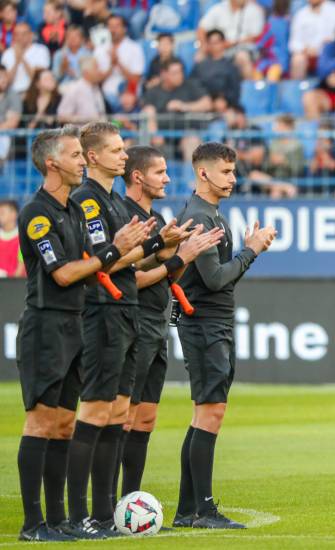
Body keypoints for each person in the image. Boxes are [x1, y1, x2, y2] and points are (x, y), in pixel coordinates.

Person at [15, 125, 148, 541]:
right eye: (75, 155)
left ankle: (61, 521)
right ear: (52, 163)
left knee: (63, 427)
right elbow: (65, 272)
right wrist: (113, 249)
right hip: (45, 326)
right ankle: (33, 524)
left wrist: (116, 254)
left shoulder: (71, 210)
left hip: (74, 325)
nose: (80, 162)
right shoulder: (37, 214)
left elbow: (90, 271)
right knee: (40, 424)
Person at [66, 122, 188, 536]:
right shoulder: (86, 201)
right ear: (93, 156)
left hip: (126, 313)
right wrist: (153, 251)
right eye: (116, 150)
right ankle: (79, 514)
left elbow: (129, 260)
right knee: (97, 412)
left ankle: (105, 514)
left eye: (123, 149)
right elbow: (105, 261)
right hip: (101, 310)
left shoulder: (113, 201)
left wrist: (160, 243)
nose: (123, 154)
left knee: (118, 413)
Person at [172, 142, 276, 528]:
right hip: (203, 324)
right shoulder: (201, 217)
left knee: (205, 413)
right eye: (227, 172)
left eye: (234, 171)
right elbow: (215, 279)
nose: (234, 178)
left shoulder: (209, 213)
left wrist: (248, 252)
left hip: (211, 323)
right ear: (204, 173)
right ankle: (203, 510)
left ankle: (187, 511)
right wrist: (251, 251)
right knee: (210, 411)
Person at [120, 145, 223, 496]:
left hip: (156, 321)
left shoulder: (161, 223)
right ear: (138, 177)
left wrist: (181, 259)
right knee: (121, 417)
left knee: (145, 419)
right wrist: (177, 258)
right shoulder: (125, 218)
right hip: (131, 322)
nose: (167, 178)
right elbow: (129, 279)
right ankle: (103, 508)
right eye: (160, 172)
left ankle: (129, 502)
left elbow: (166, 276)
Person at [94, 15, 145, 111]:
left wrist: (118, 63)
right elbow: (96, 79)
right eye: (110, 26)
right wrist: (111, 66)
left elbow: (136, 79)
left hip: (128, 93)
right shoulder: (99, 49)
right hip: (105, 95)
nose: (113, 30)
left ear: (124, 29)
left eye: (116, 26)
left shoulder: (134, 48)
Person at [289, 0, 335, 80]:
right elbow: (293, 43)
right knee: (297, 59)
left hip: (332, 54)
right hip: (310, 56)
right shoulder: (301, 15)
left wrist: (332, 43)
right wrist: (305, 49)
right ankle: (297, 90)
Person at [190, 30, 242, 109]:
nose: (214, 45)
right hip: (202, 105)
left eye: (217, 42)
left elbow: (235, 91)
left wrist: (224, 100)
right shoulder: (200, 66)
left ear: (223, 43)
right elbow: (193, 85)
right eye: (211, 42)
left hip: (225, 106)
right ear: (207, 44)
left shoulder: (231, 67)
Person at [197, 0, 265, 53]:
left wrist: (231, 44)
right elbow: (202, 28)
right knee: (201, 56)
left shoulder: (254, 10)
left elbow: (256, 36)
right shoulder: (219, 8)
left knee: (241, 57)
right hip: (220, 49)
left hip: (245, 49)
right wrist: (205, 46)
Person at [2, 22, 51, 94]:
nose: (19, 37)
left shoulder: (41, 50)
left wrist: (22, 59)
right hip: (12, 94)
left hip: (34, 92)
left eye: (23, 34)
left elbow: (38, 79)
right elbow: (6, 82)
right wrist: (16, 62)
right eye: (16, 34)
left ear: (31, 35)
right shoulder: (7, 53)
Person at [56, 56, 107, 122]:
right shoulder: (75, 89)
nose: (99, 71)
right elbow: (62, 116)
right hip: (82, 131)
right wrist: (83, 119)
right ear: (86, 72)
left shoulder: (96, 88)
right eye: (96, 68)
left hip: (100, 130)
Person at [52, 24, 91, 89]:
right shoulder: (59, 54)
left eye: (76, 36)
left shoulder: (88, 54)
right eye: (69, 36)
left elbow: (90, 76)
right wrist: (62, 68)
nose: (72, 39)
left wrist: (74, 73)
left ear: (82, 39)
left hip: (83, 86)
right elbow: (55, 78)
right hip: (65, 86)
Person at [0, 199, 24, 277]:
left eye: (2, 212)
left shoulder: (23, 238)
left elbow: (21, 266)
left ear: (13, 215)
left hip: (16, 284)